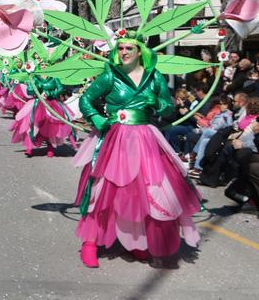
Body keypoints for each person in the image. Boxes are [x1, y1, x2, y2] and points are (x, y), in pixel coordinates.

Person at [73, 36, 200, 267]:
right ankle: (90, 243)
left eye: (129, 48)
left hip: (145, 138)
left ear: (140, 51)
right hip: (114, 138)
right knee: (103, 192)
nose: (124, 52)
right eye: (120, 48)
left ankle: (138, 242)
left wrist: (156, 101)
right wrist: (97, 119)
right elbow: (86, 100)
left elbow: (169, 107)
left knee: (147, 190)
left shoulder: (154, 77)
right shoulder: (110, 75)